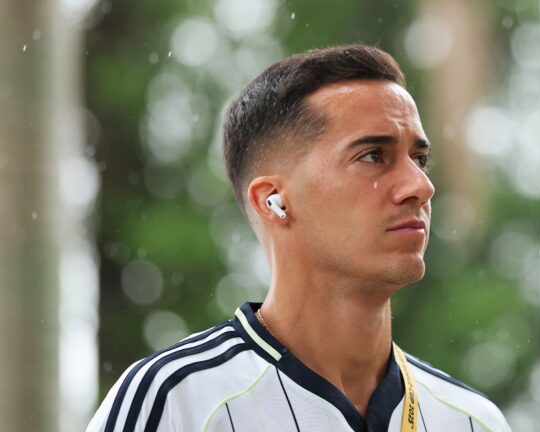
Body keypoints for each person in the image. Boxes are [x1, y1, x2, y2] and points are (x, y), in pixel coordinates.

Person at [87, 44, 512, 432]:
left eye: (419, 159)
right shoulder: (175, 402)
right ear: (273, 201)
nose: (420, 185)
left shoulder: (475, 421)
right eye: (373, 156)